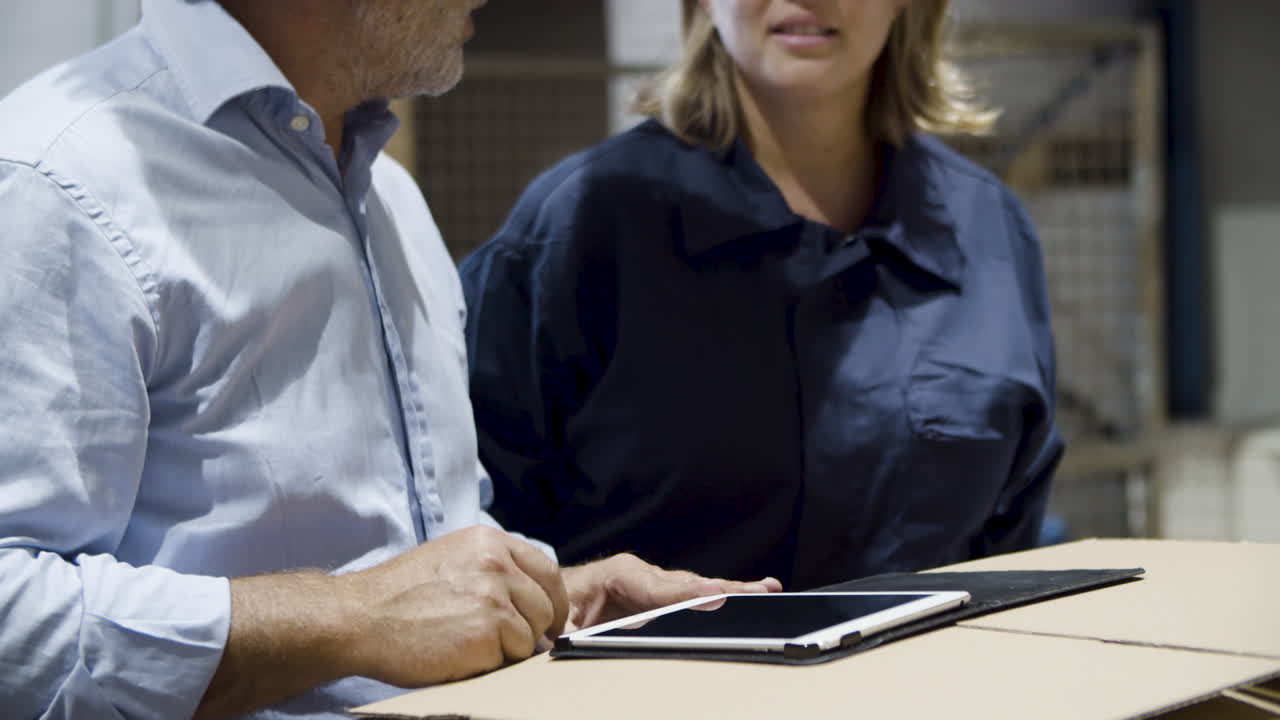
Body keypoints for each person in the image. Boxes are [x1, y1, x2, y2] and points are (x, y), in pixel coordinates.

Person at [0, 1, 781, 718]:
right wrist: (351, 619)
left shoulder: (391, 202)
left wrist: (554, 597)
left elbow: (407, 581)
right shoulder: (55, 183)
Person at [461, 0, 1065, 591]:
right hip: (648, 689)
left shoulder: (987, 227)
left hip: (928, 686)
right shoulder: (583, 224)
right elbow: (472, 525)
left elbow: (1010, 530)